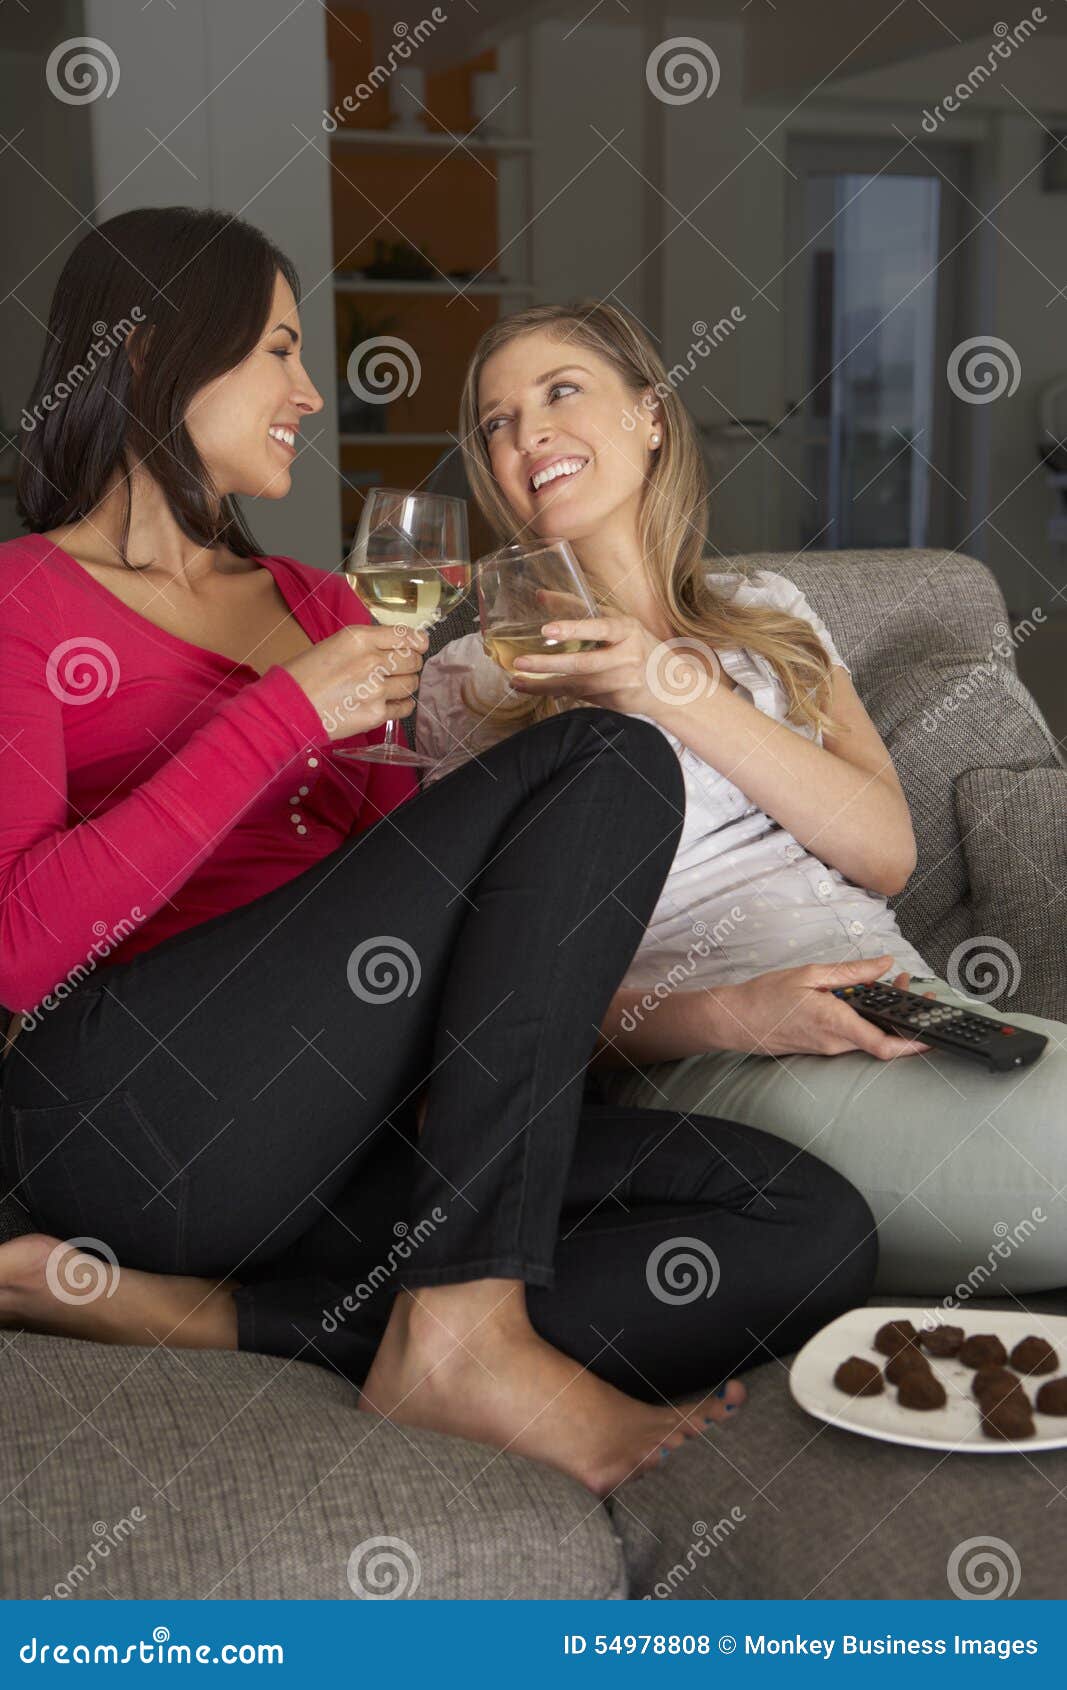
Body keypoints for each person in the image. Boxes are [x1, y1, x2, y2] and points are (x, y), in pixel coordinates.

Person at [0, 211, 877, 1500]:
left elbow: (417, 921)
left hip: (324, 1140)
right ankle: (466, 1324)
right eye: (281, 349)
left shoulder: (323, 606)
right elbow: (20, 946)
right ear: (146, 358)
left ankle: (218, 1318)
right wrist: (283, 717)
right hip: (128, 1115)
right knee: (607, 754)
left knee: (808, 1230)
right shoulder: (26, 599)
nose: (310, 392)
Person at [414, 299, 1066, 1295]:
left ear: (649, 416)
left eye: (559, 393)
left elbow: (883, 853)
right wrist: (738, 1013)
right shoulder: (475, 680)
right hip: (719, 1063)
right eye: (496, 423)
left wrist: (668, 688)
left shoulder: (767, 614)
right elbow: (497, 1014)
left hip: (905, 1005)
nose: (527, 433)